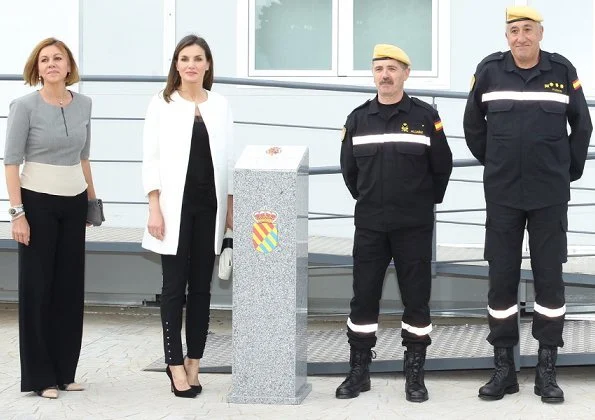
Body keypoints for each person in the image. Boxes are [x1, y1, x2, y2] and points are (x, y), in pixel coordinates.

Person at [463, 6, 592, 403]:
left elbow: (582, 125)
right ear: (507, 36)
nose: (520, 37)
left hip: (549, 195)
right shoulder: (489, 71)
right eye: (513, 30)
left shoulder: (561, 70)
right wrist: (499, 163)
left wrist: (563, 171)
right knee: (501, 278)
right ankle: (504, 368)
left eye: (527, 30)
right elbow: (473, 127)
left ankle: (546, 370)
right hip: (502, 195)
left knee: (549, 279)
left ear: (540, 33)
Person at [337, 44, 453, 402]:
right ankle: (359, 371)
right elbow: (349, 172)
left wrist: (419, 203)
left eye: (392, 68)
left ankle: (414, 374)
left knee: (416, 300)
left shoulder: (424, 116)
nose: (385, 75)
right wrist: (373, 199)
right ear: (373, 75)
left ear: (406, 73)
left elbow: (442, 167)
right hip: (371, 224)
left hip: (413, 225)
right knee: (363, 300)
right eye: (378, 69)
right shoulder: (358, 119)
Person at [141, 34, 234, 398]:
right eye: (184, 59)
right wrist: (154, 207)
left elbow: (226, 158)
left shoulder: (221, 105)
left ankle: (195, 360)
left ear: (208, 64)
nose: (191, 65)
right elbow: (151, 158)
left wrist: (229, 205)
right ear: (176, 65)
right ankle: (174, 362)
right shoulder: (162, 103)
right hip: (172, 208)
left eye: (198, 58)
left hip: (209, 207)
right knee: (173, 288)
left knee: (202, 289)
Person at [4, 38, 97, 399]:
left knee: (70, 289)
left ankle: (64, 371)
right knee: (38, 290)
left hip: (73, 203)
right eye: (45, 59)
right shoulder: (24, 106)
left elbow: (85, 158)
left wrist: (91, 202)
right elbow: (11, 162)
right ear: (37, 68)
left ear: (69, 66)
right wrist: (18, 214)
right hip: (37, 204)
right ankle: (41, 377)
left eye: (58, 58)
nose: (52, 64)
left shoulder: (85, 104)